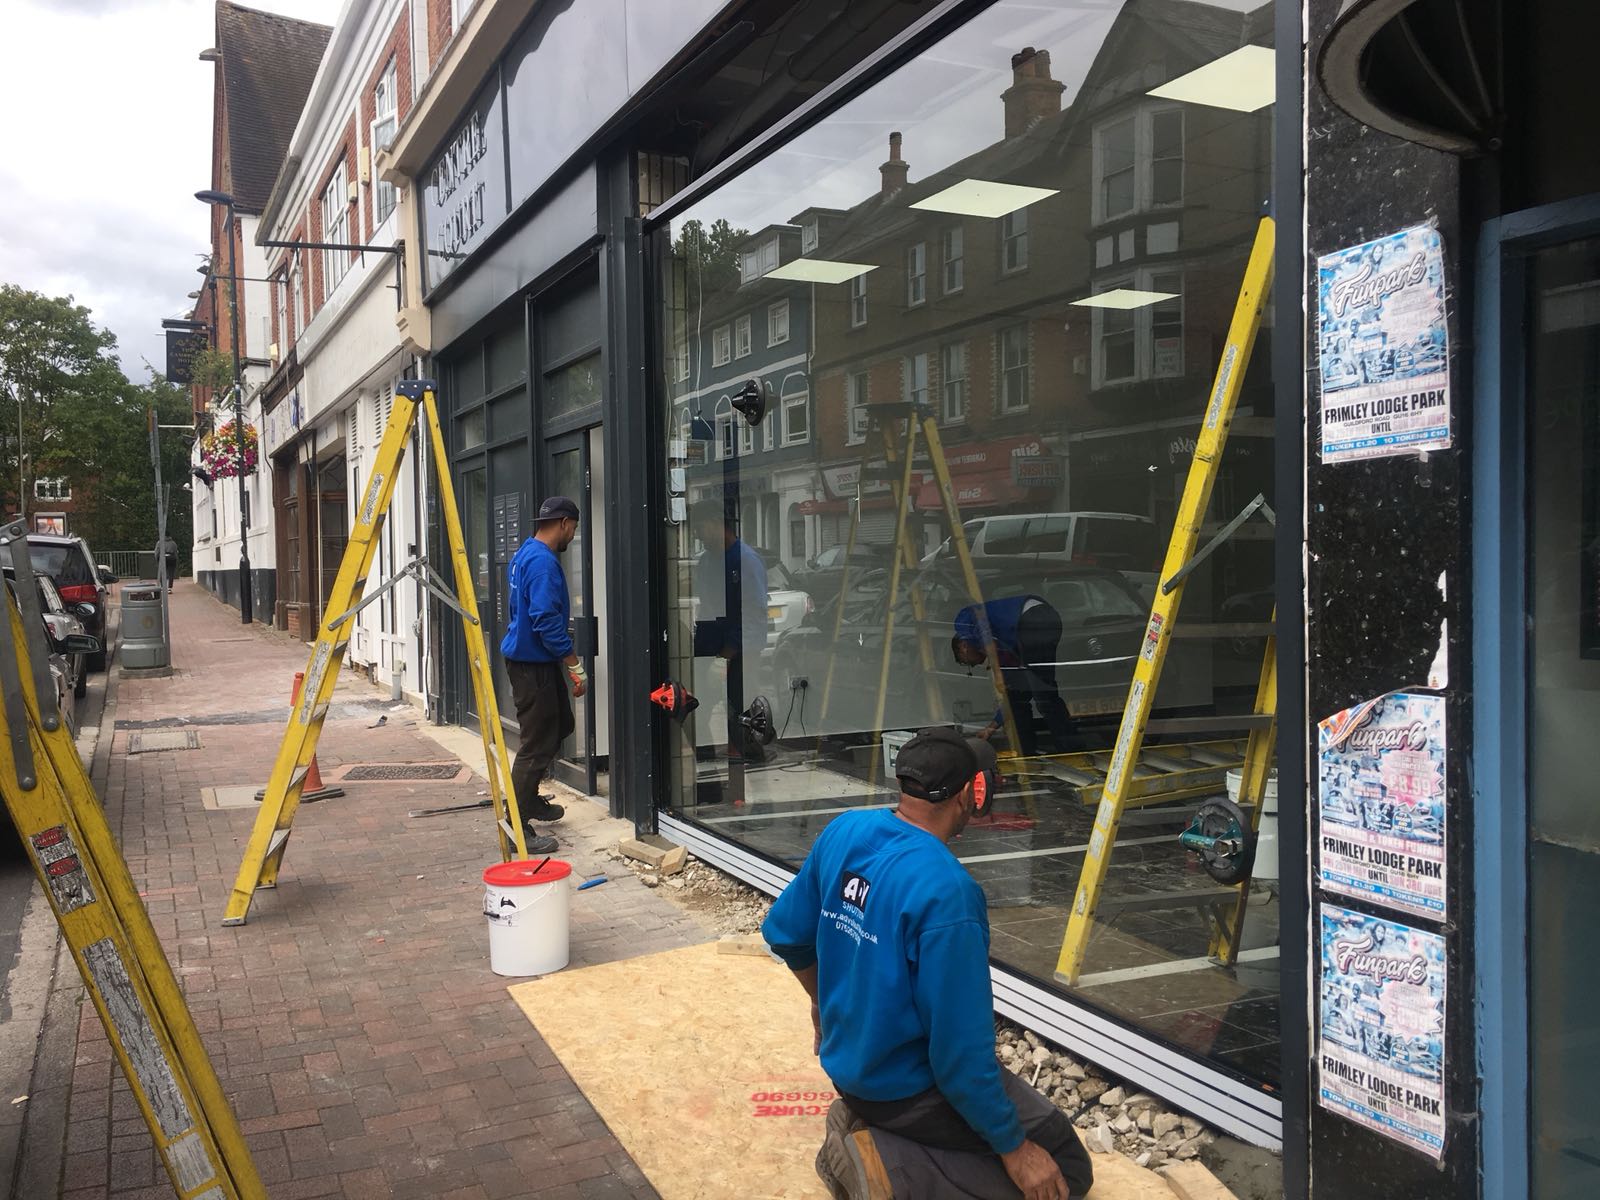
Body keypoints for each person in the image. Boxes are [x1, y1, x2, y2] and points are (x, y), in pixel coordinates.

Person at [763, 728, 1093, 1200]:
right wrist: (1014, 1148)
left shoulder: (846, 830)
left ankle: (867, 1128)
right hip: (905, 1090)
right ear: (968, 795)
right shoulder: (948, 893)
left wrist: (821, 1003)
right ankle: (890, 1171)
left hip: (848, 1067)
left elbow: (786, 933)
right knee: (1065, 1167)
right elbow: (958, 1058)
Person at [500, 496, 587, 855]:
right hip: (532, 664)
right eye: (574, 529)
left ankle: (529, 799)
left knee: (561, 724)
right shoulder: (543, 563)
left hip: (531, 661)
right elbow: (546, 620)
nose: (572, 536)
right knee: (536, 745)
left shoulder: (525, 553)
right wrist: (574, 666)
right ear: (565, 523)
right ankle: (516, 825)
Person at [690, 500, 769, 760]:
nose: (697, 535)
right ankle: (705, 750)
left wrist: (727, 655)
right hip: (712, 644)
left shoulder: (745, 560)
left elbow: (752, 612)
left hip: (742, 648)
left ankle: (748, 751)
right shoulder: (706, 562)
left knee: (739, 702)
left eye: (699, 528)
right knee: (701, 701)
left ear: (716, 524)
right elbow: (708, 605)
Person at [950, 596, 1071, 757]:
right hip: (1040, 623)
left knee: (1044, 696)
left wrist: (997, 673)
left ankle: (1070, 748)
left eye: (967, 663)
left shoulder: (962, 621)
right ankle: (1028, 752)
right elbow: (1011, 696)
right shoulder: (1006, 650)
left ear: (962, 647)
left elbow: (985, 632)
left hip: (1033, 618)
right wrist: (990, 728)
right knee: (1020, 696)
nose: (975, 665)